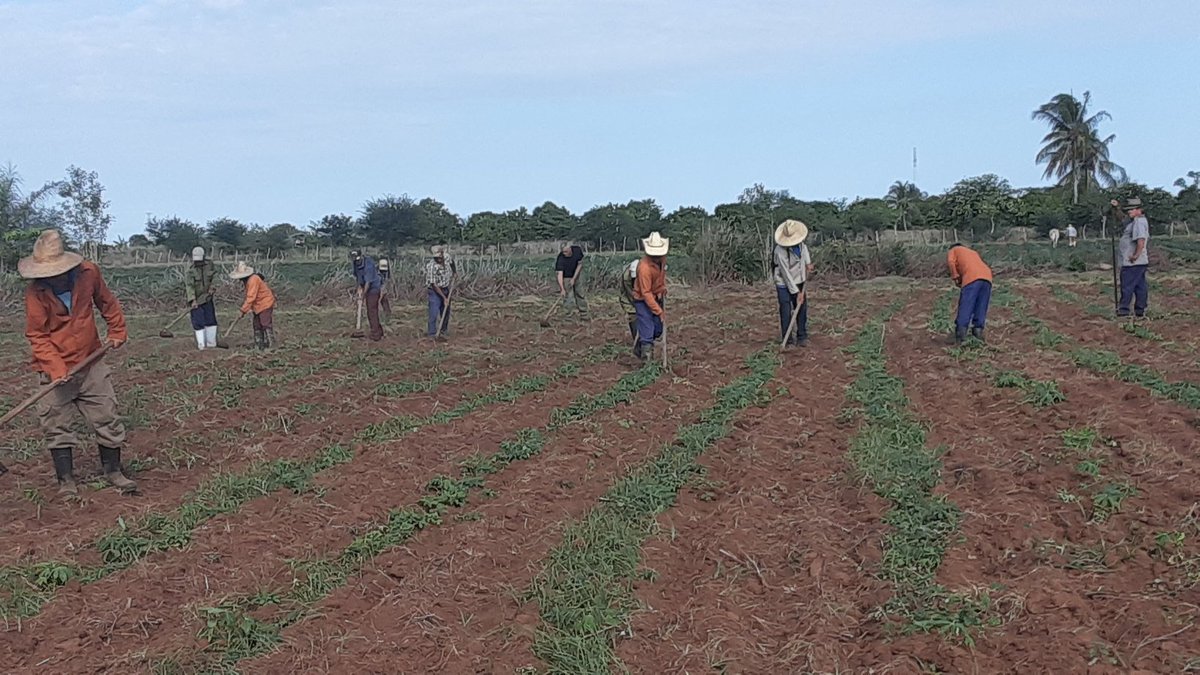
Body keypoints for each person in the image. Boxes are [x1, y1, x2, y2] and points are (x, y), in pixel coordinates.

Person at [19, 229, 136, 496]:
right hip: (54, 367)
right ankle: (66, 480)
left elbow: (107, 302)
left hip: (91, 360)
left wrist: (117, 330)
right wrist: (57, 368)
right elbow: (37, 335)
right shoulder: (35, 292)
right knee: (55, 421)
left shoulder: (89, 273)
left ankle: (113, 471)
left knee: (106, 415)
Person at [772, 219, 814, 347]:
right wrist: (797, 292)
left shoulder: (801, 244)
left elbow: (805, 252)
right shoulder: (780, 251)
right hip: (784, 283)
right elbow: (786, 274)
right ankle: (788, 339)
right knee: (786, 310)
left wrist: (808, 263)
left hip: (799, 279)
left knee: (801, 308)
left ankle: (802, 336)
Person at [947, 243, 993, 344]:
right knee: (981, 305)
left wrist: (955, 277)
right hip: (987, 277)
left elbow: (951, 262)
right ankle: (978, 332)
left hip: (972, 276)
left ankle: (961, 335)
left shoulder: (953, 250)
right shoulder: (973, 252)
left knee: (966, 305)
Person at [632, 232, 669, 361]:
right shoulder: (644, 268)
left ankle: (641, 344)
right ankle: (646, 360)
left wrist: (662, 288)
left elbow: (661, 277)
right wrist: (659, 311)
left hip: (655, 296)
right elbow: (645, 293)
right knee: (648, 327)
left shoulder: (662, 260)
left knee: (658, 328)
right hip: (642, 300)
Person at [1113, 197, 1150, 317]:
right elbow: (1122, 219)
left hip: (1133, 262)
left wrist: (1135, 256)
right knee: (1139, 286)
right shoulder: (1134, 221)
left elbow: (1140, 241)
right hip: (1138, 261)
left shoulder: (1139, 222)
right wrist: (1117, 207)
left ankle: (1124, 310)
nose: (1129, 212)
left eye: (1131, 209)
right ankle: (1140, 310)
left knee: (1127, 286)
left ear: (1139, 210)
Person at [230, 261, 277, 349]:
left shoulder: (253, 279)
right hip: (257, 305)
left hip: (265, 303)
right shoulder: (248, 281)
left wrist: (243, 310)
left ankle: (271, 344)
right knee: (257, 324)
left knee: (265, 323)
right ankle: (259, 344)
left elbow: (251, 297)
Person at [186, 246, 219, 350]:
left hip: (207, 297)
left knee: (210, 319)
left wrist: (212, 287)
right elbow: (189, 286)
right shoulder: (190, 269)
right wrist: (192, 300)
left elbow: (215, 276)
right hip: (196, 298)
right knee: (198, 321)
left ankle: (211, 343)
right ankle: (202, 345)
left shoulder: (210, 264)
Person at [351, 250, 384, 341]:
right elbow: (358, 276)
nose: (356, 261)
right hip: (364, 286)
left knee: (371, 310)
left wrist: (363, 296)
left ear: (361, 256)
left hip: (373, 288)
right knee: (371, 311)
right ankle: (378, 330)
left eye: (357, 259)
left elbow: (368, 283)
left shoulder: (368, 264)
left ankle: (375, 334)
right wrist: (358, 288)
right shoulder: (355, 263)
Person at [425, 245, 457, 338]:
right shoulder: (431, 266)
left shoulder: (447, 257)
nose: (438, 259)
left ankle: (443, 331)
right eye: (436, 258)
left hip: (446, 288)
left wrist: (454, 272)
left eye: (439, 257)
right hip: (435, 291)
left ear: (442, 254)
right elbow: (434, 284)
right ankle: (432, 334)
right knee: (433, 313)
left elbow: (452, 263)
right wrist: (444, 298)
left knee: (445, 311)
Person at [554, 242, 588, 317]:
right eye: (563, 251)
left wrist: (574, 278)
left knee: (580, 293)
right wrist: (562, 288)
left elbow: (580, 265)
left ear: (570, 249)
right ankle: (568, 315)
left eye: (566, 251)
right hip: (566, 276)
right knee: (568, 296)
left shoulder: (577, 251)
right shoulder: (561, 259)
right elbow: (560, 274)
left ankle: (584, 314)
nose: (564, 253)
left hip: (577, 273)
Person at [618, 258, 640, 340]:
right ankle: (636, 339)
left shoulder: (645, 271)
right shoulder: (626, 277)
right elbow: (631, 294)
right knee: (633, 314)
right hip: (628, 298)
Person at [378, 257, 392, 323]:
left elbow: (386, 281)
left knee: (384, 301)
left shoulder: (386, 272)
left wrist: (383, 291)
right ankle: (381, 315)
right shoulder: (377, 273)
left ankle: (387, 315)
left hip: (383, 288)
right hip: (378, 288)